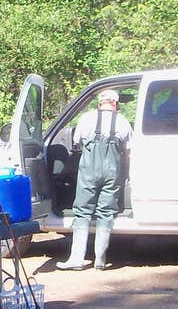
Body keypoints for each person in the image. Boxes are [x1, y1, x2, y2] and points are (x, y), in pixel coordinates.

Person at [56, 88, 133, 270]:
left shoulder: (86, 119)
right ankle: (100, 259)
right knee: (106, 213)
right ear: (115, 103)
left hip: (89, 172)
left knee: (82, 212)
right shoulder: (123, 122)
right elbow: (129, 151)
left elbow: (76, 142)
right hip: (112, 173)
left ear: (100, 103)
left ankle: (77, 259)